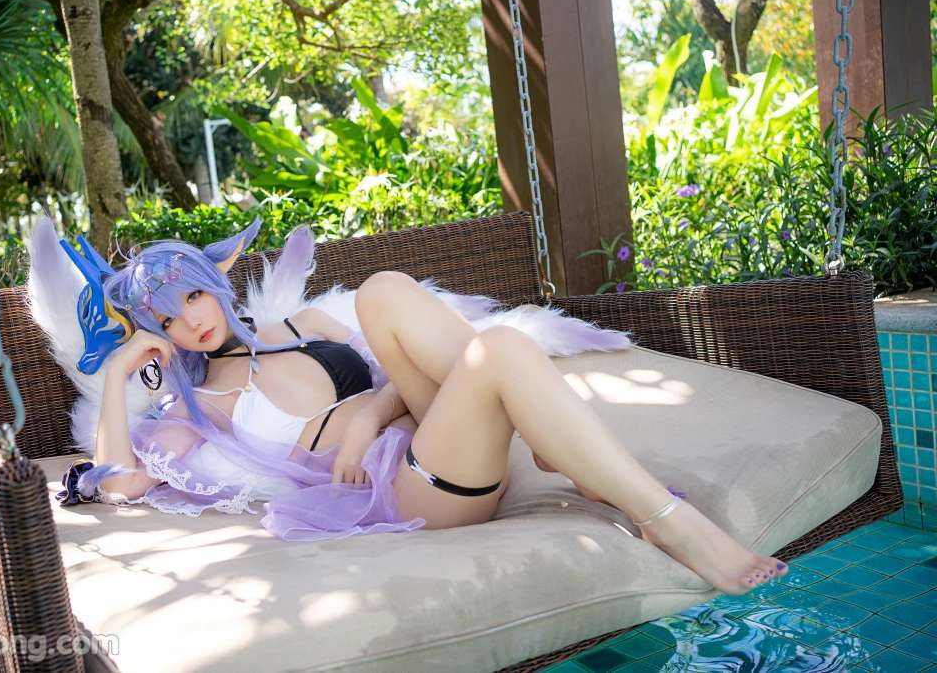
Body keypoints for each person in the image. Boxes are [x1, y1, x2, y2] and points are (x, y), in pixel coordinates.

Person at [79, 223, 788, 596]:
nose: (191, 320)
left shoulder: (302, 327)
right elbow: (118, 482)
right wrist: (117, 373)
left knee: (384, 291)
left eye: (193, 296)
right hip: (410, 485)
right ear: (157, 334)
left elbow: (400, 374)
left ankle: (563, 451)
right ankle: (669, 521)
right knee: (501, 349)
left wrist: (367, 414)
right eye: (167, 319)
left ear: (215, 281)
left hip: (424, 431)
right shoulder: (199, 407)